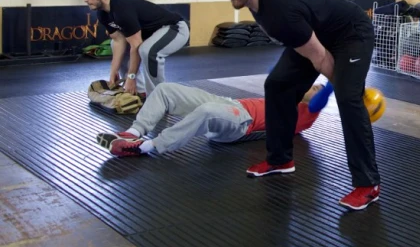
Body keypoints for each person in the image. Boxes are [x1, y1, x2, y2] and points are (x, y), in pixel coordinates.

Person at [213, 0, 380, 211]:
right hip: (312, 34)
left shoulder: (280, 12)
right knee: (278, 85)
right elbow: (311, 47)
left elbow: (322, 59)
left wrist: (354, 91)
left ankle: (368, 185)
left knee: (348, 100)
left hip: (350, 32)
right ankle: (280, 160)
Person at [96, 83, 324, 157]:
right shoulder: (291, 96)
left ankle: (146, 147)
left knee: (207, 110)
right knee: (165, 89)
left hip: (241, 123)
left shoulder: (308, 113)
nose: (311, 86)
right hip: (232, 104)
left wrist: (341, 71)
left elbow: (322, 91)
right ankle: (134, 133)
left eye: (316, 88)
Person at [82, 0, 190, 97]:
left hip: (175, 28)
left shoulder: (122, 10)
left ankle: (158, 97)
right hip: (151, 35)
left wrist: (131, 76)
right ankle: (139, 92)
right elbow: (118, 41)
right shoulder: (103, 14)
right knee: (115, 44)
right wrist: (113, 71)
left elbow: (136, 45)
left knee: (148, 51)